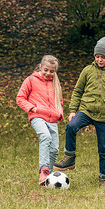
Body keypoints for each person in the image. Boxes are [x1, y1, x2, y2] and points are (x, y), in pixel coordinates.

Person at [53, 36, 105, 187]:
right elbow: (78, 91)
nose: (99, 60)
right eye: (97, 56)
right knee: (71, 126)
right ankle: (69, 157)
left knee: (103, 149)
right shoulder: (88, 70)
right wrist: (72, 111)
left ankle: (104, 178)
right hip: (87, 110)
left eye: (103, 57)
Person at [17, 55, 64, 186]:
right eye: (46, 70)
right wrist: (32, 108)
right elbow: (20, 98)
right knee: (45, 137)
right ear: (40, 67)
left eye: (52, 71)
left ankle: (47, 177)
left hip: (52, 119)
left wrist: (59, 113)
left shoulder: (56, 83)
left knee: (54, 149)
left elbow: (59, 100)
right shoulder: (31, 80)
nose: (48, 73)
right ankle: (43, 171)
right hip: (37, 116)